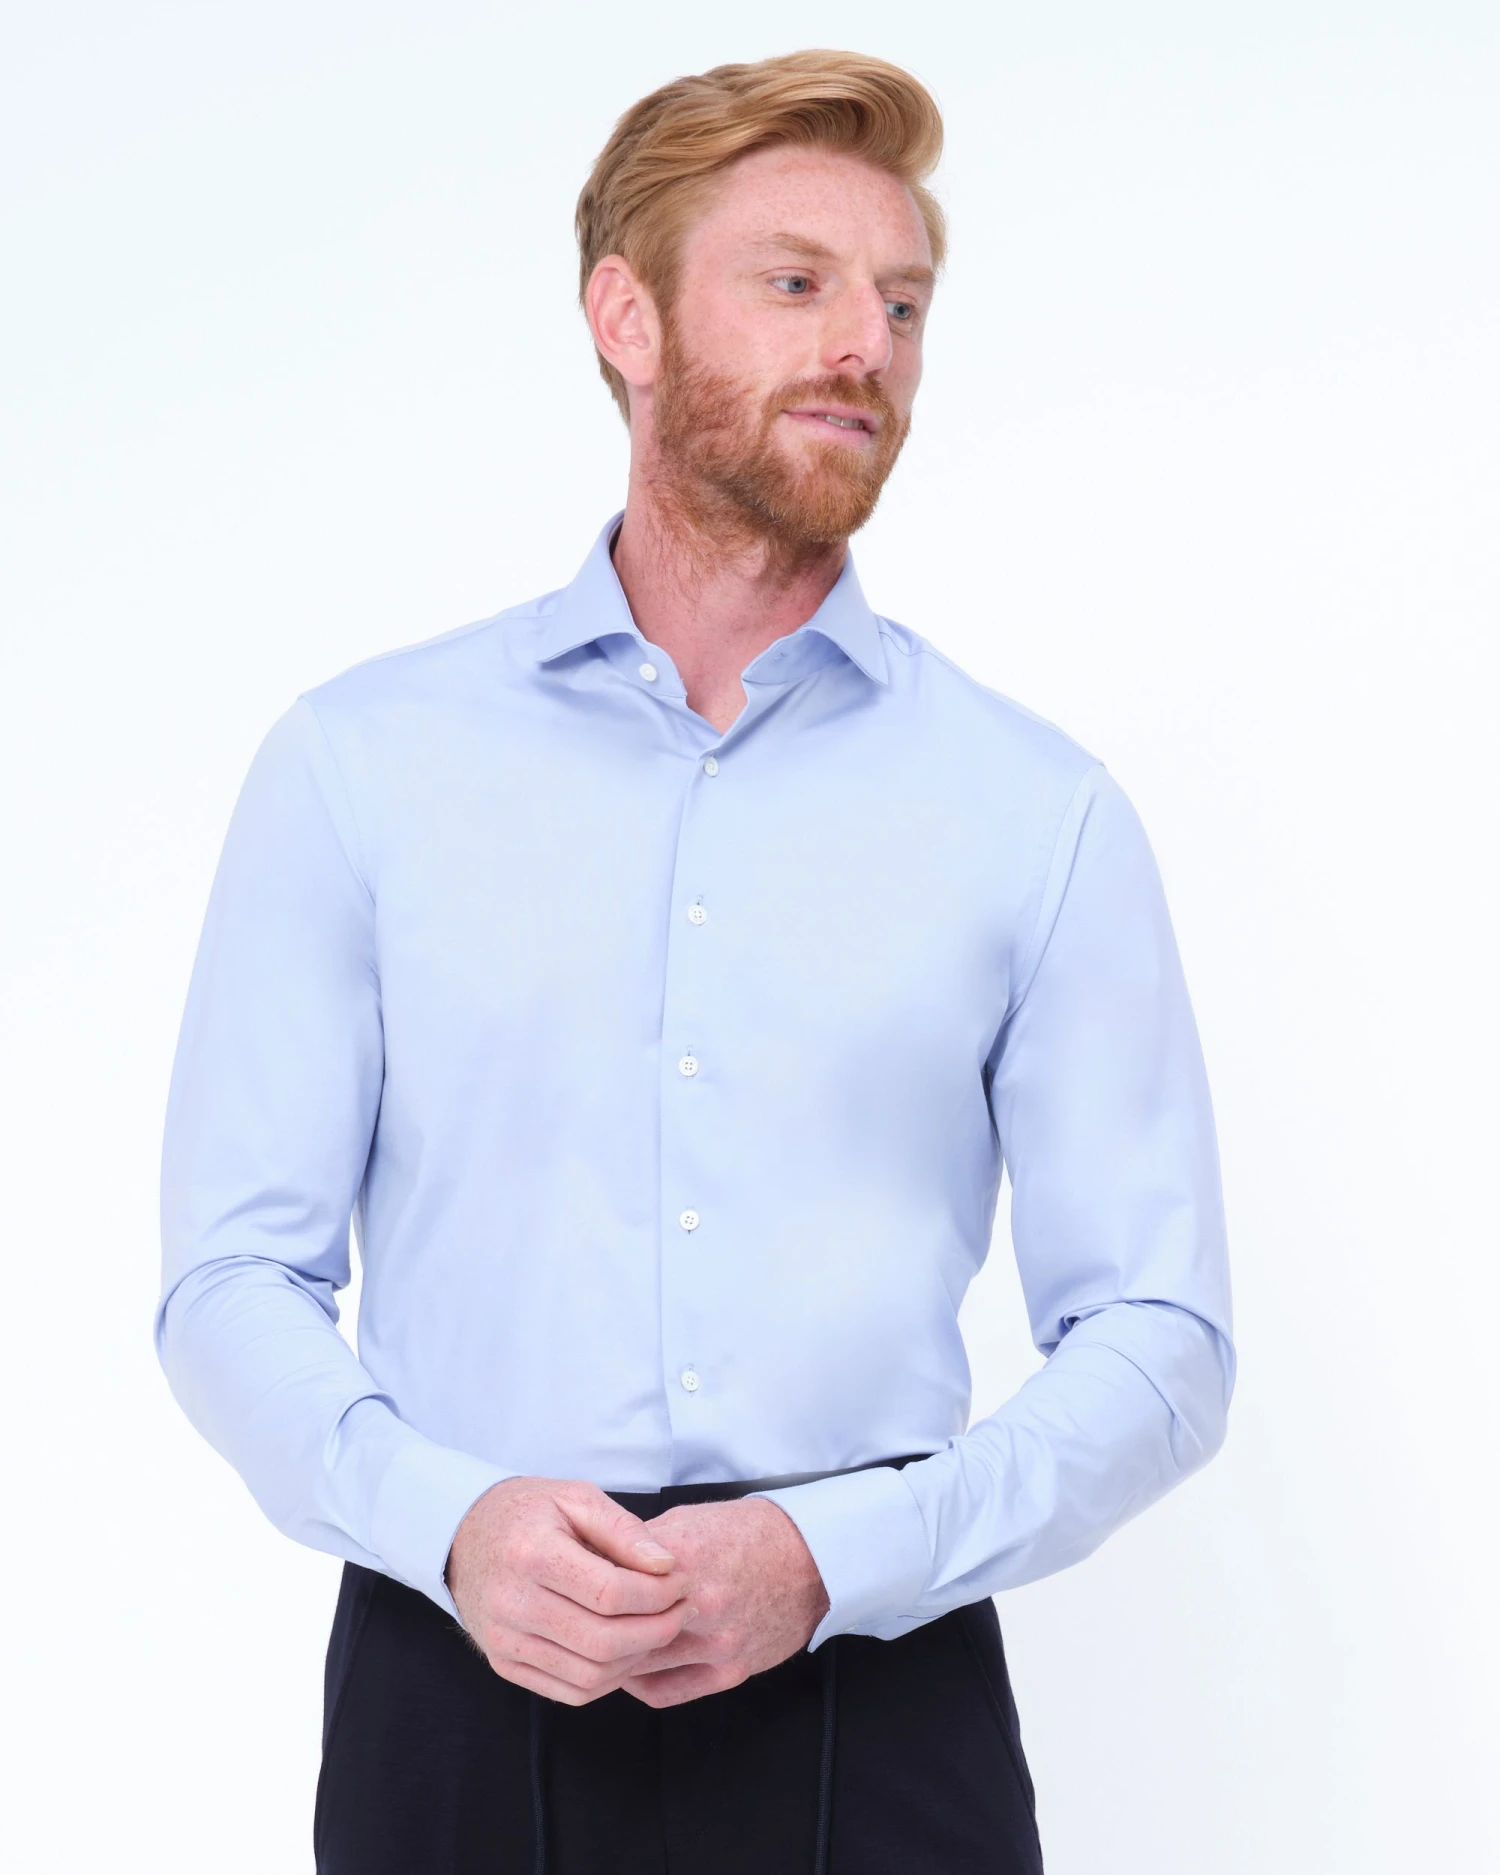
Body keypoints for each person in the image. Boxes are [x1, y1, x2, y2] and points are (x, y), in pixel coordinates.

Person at [156, 48, 1235, 1875]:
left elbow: (1161, 1334)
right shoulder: (361, 767)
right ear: (627, 318)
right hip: (455, 1677)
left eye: (903, 302)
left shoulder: (1034, 811)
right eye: (797, 282)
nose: (868, 345)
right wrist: (449, 1521)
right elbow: (230, 1276)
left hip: (877, 1689)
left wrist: (835, 1551)